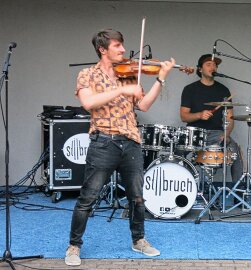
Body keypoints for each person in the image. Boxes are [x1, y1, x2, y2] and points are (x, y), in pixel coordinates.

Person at [65, 29, 176, 266]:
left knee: (137, 198)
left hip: (131, 142)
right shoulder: (87, 74)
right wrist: (121, 90)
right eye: (117, 46)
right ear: (102, 50)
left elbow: (144, 105)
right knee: (88, 197)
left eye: (122, 46)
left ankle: (139, 240)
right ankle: (74, 246)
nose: (124, 50)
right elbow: (88, 103)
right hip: (103, 142)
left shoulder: (129, 75)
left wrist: (161, 78)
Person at [180, 54, 244, 193]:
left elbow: (230, 118)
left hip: (216, 133)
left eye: (215, 65)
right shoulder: (190, 89)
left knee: (236, 151)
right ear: (200, 69)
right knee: (177, 151)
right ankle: (180, 190)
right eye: (208, 64)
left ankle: (239, 192)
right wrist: (199, 115)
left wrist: (226, 134)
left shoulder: (223, 90)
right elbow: (184, 116)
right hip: (194, 133)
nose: (213, 67)